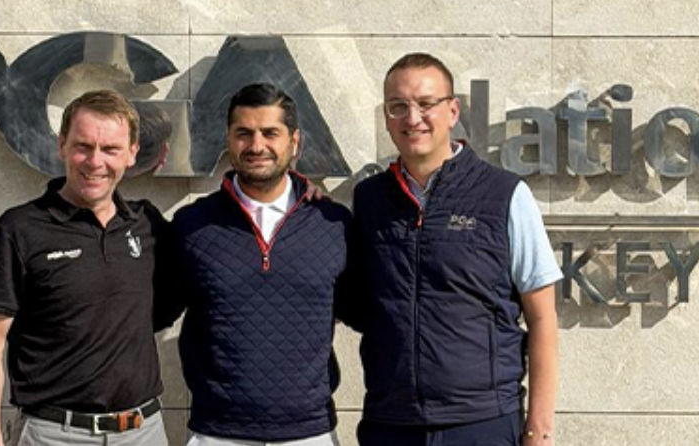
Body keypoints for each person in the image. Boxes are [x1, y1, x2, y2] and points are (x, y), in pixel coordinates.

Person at [343, 53, 563, 446]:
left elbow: (543, 317)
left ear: (453, 111)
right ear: (386, 117)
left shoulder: (505, 194)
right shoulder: (369, 199)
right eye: (398, 106)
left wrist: (539, 431)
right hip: (390, 423)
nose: (413, 118)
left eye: (426, 103)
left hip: (482, 422)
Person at [0, 90, 170, 446]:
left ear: (132, 153)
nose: (95, 162)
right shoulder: (19, 230)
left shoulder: (147, 224)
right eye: (83, 147)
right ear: (62, 145)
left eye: (110, 149)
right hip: (54, 435)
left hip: (143, 433)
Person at [158, 83, 352, 446]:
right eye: (243, 133)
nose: (256, 145)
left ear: (295, 142)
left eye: (270, 133)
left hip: (310, 433)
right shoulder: (192, 225)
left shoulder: (333, 224)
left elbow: (363, 308)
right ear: (229, 140)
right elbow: (153, 311)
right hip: (217, 433)